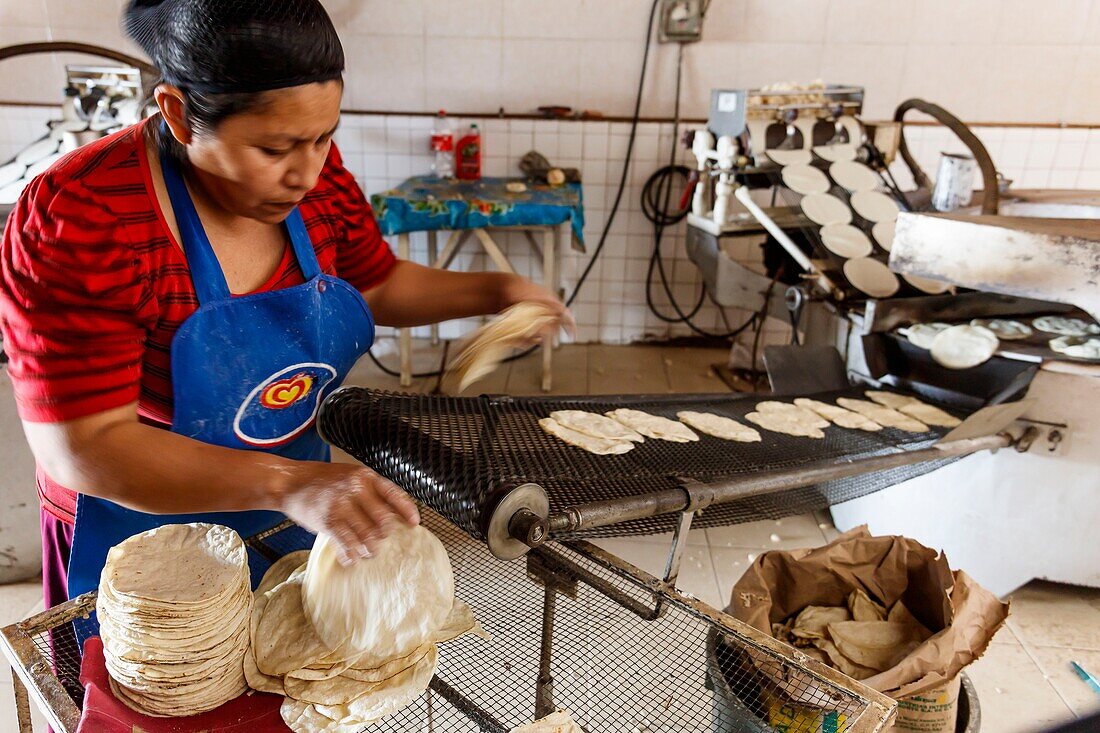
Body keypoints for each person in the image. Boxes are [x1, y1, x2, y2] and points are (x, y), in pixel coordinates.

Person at [0, 0, 571, 616]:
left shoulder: (317, 180)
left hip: (288, 506)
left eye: (325, 137)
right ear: (180, 114)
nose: (307, 171)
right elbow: (87, 446)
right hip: (140, 528)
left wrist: (500, 292)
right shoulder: (85, 218)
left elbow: (377, 285)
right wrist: (287, 484)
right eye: (274, 149)